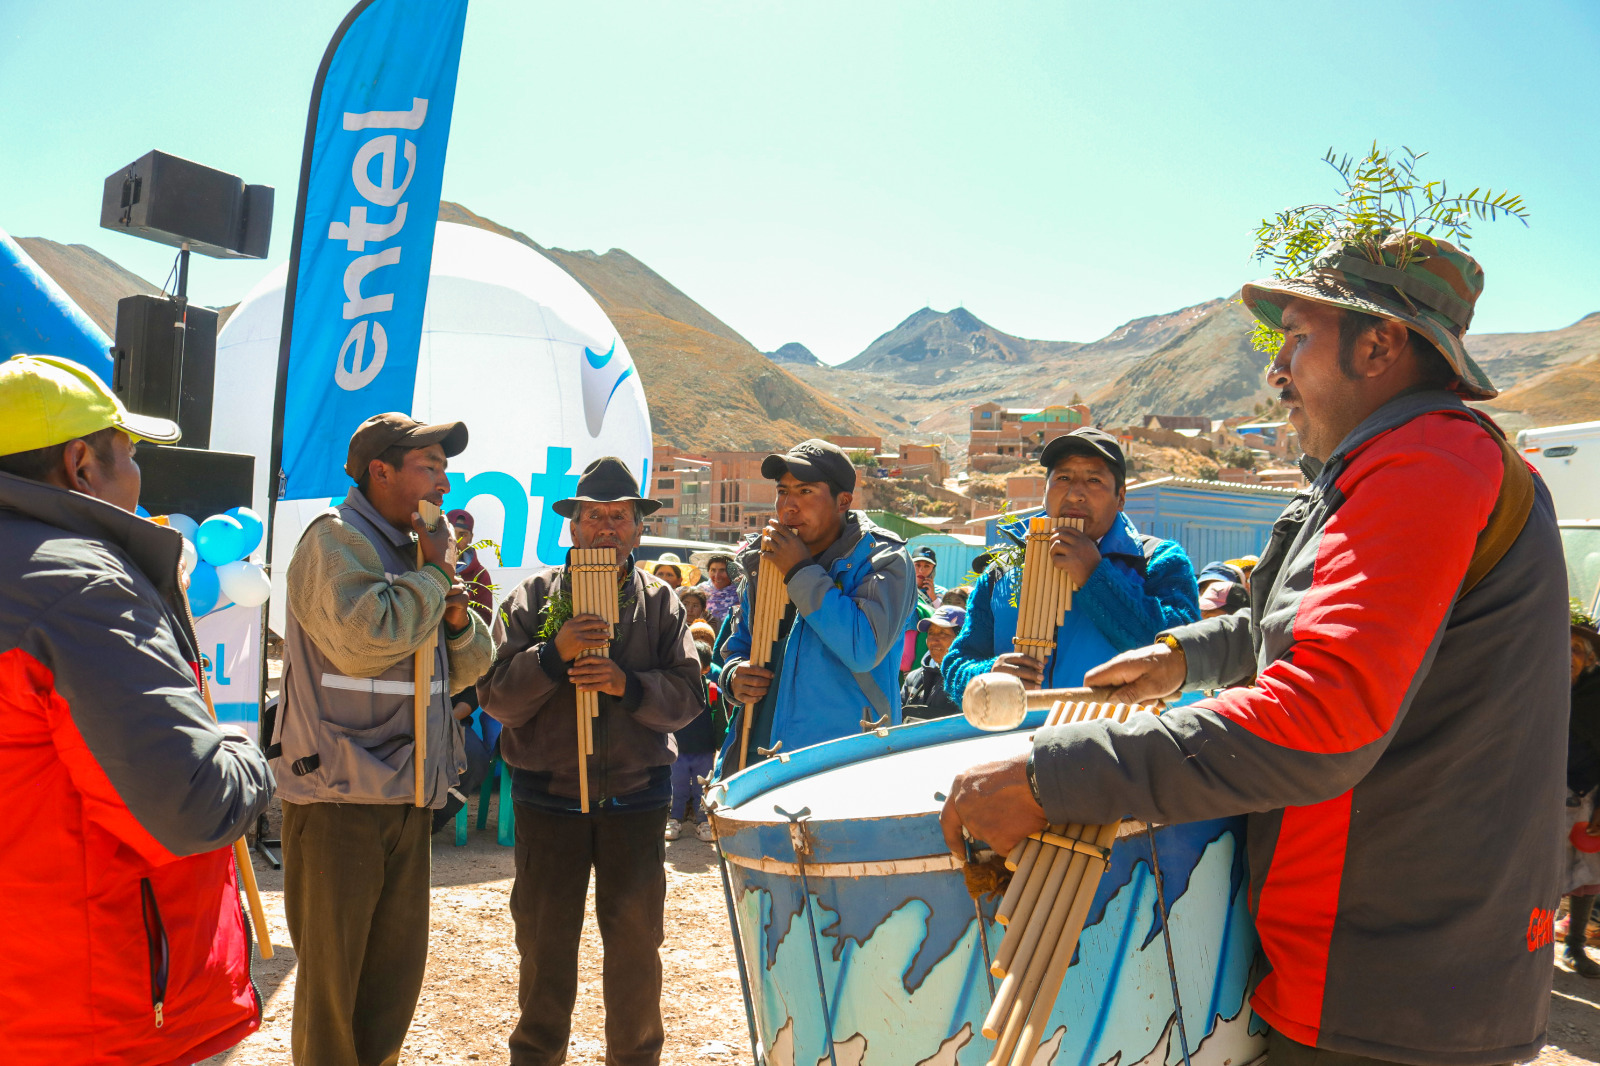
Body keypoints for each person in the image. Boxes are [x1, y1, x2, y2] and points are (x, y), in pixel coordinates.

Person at [942, 231, 1568, 1066]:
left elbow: (1326, 710)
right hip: (1396, 963)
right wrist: (1184, 657)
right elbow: (1307, 622)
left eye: (1298, 338)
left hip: (1387, 983)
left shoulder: (1425, 462)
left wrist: (1051, 775)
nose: (1277, 370)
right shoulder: (1412, 459)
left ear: (1378, 344)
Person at [0, 355, 275, 1062]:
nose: (139, 477)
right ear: (82, 463)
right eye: (132, 454)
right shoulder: (81, 587)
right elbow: (188, 806)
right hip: (84, 1012)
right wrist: (242, 752)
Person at [270, 412, 495, 1066]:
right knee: (333, 1001)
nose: (444, 487)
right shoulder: (333, 543)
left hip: (405, 795)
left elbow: (474, 667)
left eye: (445, 470)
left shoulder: (416, 552)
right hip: (338, 800)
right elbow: (367, 642)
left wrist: (455, 618)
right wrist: (431, 578)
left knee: (390, 990)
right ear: (380, 471)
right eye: (431, 468)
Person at [478, 457, 701, 1066]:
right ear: (573, 527)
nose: (607, 527)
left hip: (637, 797)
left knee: (634, 948)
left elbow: (688, 697)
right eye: (594, 515)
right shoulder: (533, 597)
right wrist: (555, 655)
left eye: (620, 517)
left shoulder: (662, 604)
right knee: (545, 945)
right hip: (548, 796)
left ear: (636, 529)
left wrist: (626, 685)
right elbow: (495, 698)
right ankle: (536, 1057)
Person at [942, 427, 1200, 701]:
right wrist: (986, 674)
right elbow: (957, 663)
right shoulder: (1001, 572)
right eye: (1063, 478)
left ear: (1121, 497)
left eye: (1094, 480)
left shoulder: (1158, 561)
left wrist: (1095, 576)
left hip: (1117, 737)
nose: (1075, 494)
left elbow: (1182, 656)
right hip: (1014, 739)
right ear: (1045, 492)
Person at [721, 439, 915, 764]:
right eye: (783, 491)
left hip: (843, 760)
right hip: (757, 755)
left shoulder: (884, 559)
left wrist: (799, 570)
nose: (788, 506)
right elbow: (740, 644)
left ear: (843, 501)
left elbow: (863, 648)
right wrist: (733, 676)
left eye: (805, 492)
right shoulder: (762, 560)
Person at [1562, 616, 1600, 976]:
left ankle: (1575, 947)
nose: (1568, 655)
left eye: (1577, 650)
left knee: (1588, 872)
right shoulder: (1542, 685)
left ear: (1590, 660)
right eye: (1564, 646)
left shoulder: (1597, 695)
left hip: (1589, 794)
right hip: (1544, 789)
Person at [666, 640, 722, 843]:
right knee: (678, 786)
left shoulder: (713, 691)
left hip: (704, 751)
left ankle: (703, 821)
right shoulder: (675, 689)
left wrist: (720, 741)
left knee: (702, 788)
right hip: (678, 751)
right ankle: (675, 819)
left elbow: (720, 718)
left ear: (706, 668)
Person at [901, 605, 967, 720]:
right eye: (931, 633)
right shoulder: (914, 678)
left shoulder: (968, 679)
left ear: (962, 638)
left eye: (943, 633)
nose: (934, 640)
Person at [449, 507, 495, 622]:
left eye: (462, 534)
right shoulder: (426, 563)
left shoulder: (480, 575)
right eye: (451, 533)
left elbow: (484, 619)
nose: (456, 540)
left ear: (470, 538)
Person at [691, 551, 742, 626]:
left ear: (732, 571)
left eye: (722, 570)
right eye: (713, 570)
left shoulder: (741, 592)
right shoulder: (700, 591)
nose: (717, 576)